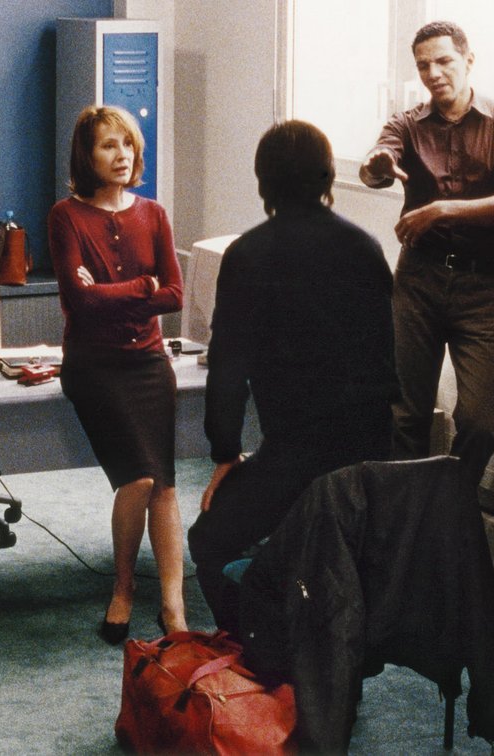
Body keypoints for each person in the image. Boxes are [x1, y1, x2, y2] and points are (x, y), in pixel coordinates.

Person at [187, 120, 398, 632]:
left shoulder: (248, 255)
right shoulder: (366, 249)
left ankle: (258, 647)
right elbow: (385, 364)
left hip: (294, 454)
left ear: (263, 182)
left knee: (208, 540)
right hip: (367, 454)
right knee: (328, 543)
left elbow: (228, 368)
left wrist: (224, 455)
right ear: (328, 178)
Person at [360, 20, 494, 486]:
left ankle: (448, 506)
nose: (433, 73)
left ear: (468, 60)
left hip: (482, 289)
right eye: (423, 66)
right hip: (418, 282)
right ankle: (403, 521)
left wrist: (440, 211)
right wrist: (375, 166)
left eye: (443, 61)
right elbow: (378, 162)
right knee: (406, 416)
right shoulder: (406, 123)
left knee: (479, 424)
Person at [48, 105, 188, 643]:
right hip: (94, 366)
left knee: (166, 485)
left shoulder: (153, 213)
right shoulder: (67, 215)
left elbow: (175, 295)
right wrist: (141, 288)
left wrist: (121, 293)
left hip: (150, 363)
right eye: (109, 145)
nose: (122, 154)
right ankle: (123, 589)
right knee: (140, 477)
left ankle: (172, 604)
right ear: (87, 155)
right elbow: (76, 301)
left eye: (128, 144)